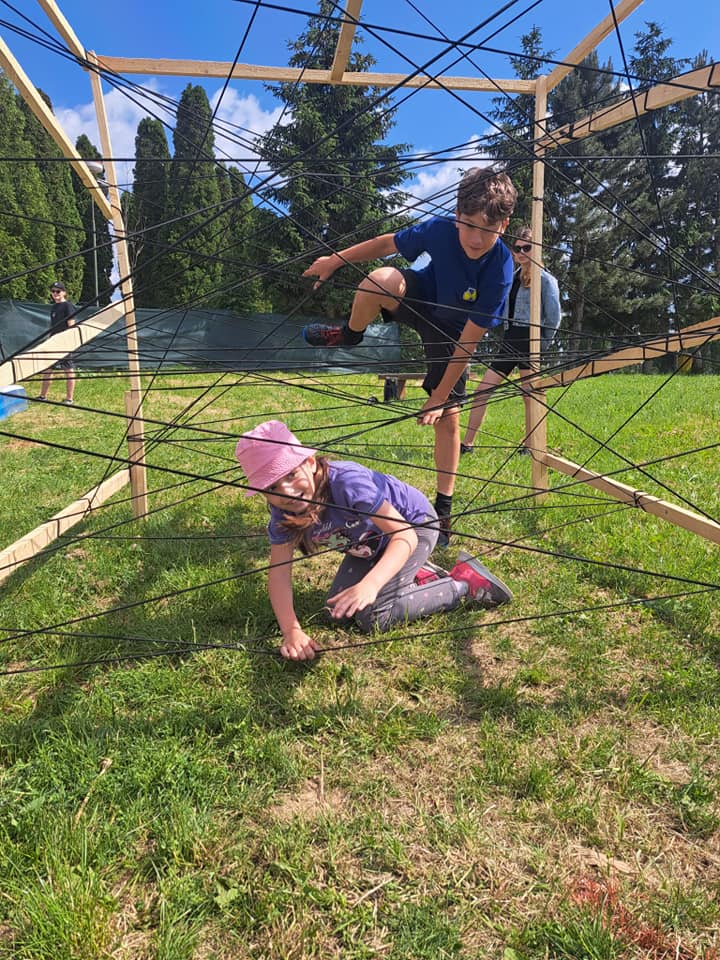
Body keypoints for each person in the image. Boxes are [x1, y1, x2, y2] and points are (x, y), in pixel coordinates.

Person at [300, 167, 517, 546]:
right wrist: (335, 260)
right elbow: (386, 243)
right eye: (468, 225)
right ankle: (350, 334)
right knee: (380, 279)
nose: (476, 238)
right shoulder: (440, 230)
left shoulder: (500, 269)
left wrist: (439, 396)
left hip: (453, 332)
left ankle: (444, 510)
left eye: (488, 229)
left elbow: (468, 342)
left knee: (449, 417)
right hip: (419, 298)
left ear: (504, 225)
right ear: (456, 216)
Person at [235, 420, 513, 661]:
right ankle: (417, 574)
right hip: (371, 546)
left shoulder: (347, 483)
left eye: (290, 474)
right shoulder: (283, 511)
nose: (285, 491)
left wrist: (371, 584)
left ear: (309, 462)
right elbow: (279, 573)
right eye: (272, 486)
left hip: (414, 528)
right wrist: (291, 631)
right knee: (336, 610)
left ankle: (464, 584)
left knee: (374, 616)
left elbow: (403, 534)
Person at [461, 226, 561, 456]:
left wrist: (542, 345)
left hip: (530, 342)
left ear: (537, 249)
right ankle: (467, 443)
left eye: (527, 247)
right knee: (482, 391)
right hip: (510, 340)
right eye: (517, 248)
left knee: (529, 395)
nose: (521, 252)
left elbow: (554, 317)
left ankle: (530, 445)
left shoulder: (546, 281)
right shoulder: (512, 278)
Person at [38, 281, 78, 405]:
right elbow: (53, 326)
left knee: (68, 370)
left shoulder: (68, 306)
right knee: (48, 369)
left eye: (58, 291)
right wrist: (49, 339)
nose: (55, 293)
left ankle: (69, 398)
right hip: (53, 342)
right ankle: (43, 396)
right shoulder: (54, 307)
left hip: (64, 342)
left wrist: (68, 342)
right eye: (53, 291)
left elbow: (71, 325)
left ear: (64, 293)